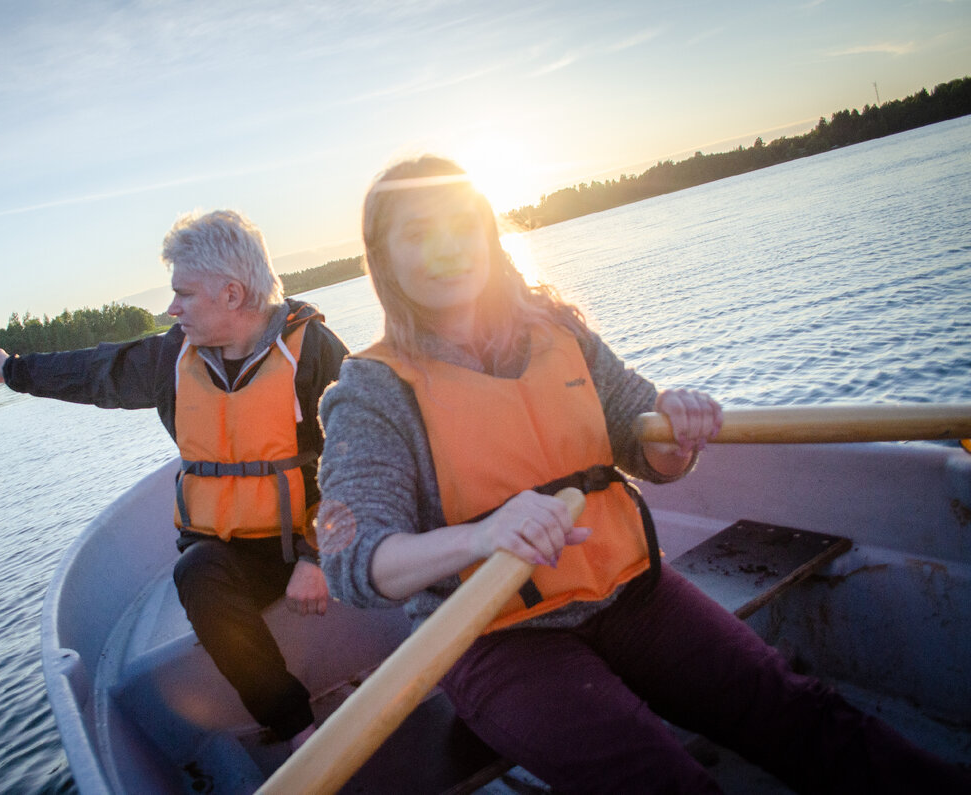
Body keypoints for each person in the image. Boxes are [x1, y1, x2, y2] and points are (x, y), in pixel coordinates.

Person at [316, 156, 971, 792]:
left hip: (628, 590)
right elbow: (352, 560)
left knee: (795, 709)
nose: (447, 248)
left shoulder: (557, 330)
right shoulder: (371, 391)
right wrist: (480, 538)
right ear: (384, 259)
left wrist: (677, 435)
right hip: (497, 636)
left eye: (461, 224)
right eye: (417, 234)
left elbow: (643, 444)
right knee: (660, 780)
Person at [0, 209, 347, 749]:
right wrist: (10, 369)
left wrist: (316, 555)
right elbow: (94, 371)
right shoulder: (172, 356)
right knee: (196, 572)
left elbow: (358, 459)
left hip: (317, 538)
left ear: (232, 294)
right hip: (232, 555)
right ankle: (301, 734)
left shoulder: (317, 352)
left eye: (184, 294)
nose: (171, 309)